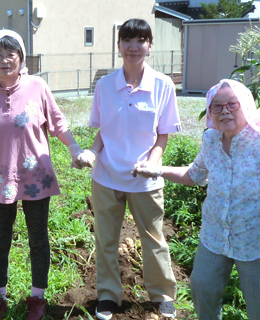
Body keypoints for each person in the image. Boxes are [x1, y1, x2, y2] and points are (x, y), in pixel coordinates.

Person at [134, 79, 260, 319]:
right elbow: (194, 174)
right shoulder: (211, 139)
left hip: (254, 240)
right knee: (202, 287)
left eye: (232, 104)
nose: (225, 111)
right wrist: (158, 170)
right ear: (210, 112)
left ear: (246, 105)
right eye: (217, 106)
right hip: (214, 236)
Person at [0, 29, 95, 320]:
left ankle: (37, 297)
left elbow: (58, 124)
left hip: (36, 177)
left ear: (21, 58)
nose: (4, 59)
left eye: (11, 53)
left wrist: (74, 148)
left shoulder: (37, 86)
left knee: (38, 238)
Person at [87, 18, 181, 320]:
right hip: (106, 176)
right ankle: (108, 296)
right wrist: (92, 151)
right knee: (106, 240)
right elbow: (104, 131)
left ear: (149, 46)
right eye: (127, 40)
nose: (133, 46)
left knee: (153, 238)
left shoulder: (163, 85)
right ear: (118, 46)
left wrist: (154, 163)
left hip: (146, 179)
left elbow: (162, 133)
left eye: (140, 40)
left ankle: (162, 295)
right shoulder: (105, 85)